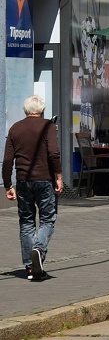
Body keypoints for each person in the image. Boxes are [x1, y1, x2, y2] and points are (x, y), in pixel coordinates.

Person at [3, 95, 63, 281]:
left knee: (27, 222)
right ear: (42, 110)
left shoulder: (15, 128)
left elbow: (7, 161)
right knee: (47, 219)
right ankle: (39, 249)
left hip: (23, 181)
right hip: (44, 180)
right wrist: (59, 176)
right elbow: (53, 153)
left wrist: (7, 185)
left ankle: (30, 268)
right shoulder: (48, 126)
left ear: (25, 110)